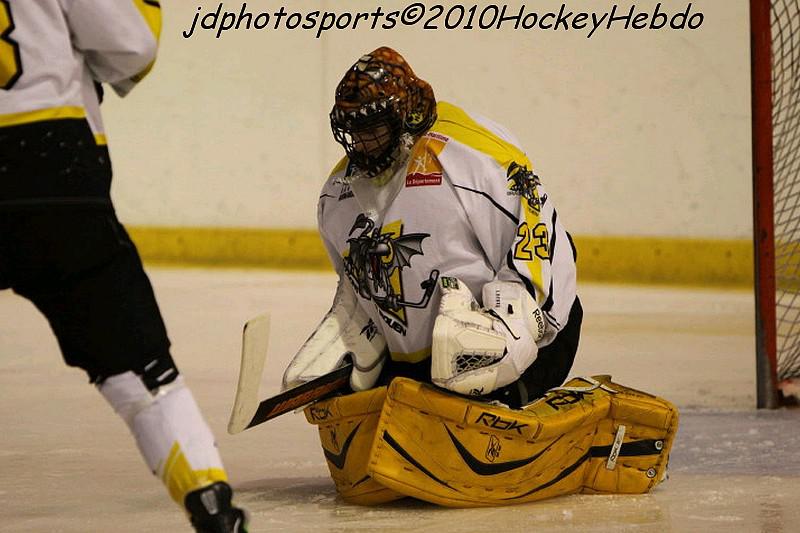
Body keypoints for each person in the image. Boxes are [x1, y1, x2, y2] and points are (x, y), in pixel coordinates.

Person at [0, 2, 247, 531]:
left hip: (46, 164)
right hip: (46, 167)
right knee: (142, 372)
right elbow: (131, 44)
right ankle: (212, 508)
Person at [283, 46, 581, 410]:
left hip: (526, 341)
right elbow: (356, 282)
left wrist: (510, 333)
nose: (361, 145)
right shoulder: (337, 195)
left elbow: (537, 244)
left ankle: (505, 382)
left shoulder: (475, 157)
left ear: (407, 114)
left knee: (481, 351)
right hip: (419, 364)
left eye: (373, 129)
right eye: (354, 132)